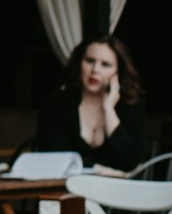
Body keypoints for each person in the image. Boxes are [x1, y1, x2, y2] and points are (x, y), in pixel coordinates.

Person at [35, 35, 158, 173]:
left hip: (117, 186)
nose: (95, 70)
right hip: (67, 185)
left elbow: (131, 161)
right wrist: (96, 169)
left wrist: (109, 110)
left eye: (105, 64)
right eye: (90, 61)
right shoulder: (56, 104)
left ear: (117, 72)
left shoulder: (130, 105)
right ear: (79, 64)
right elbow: (53, 158)